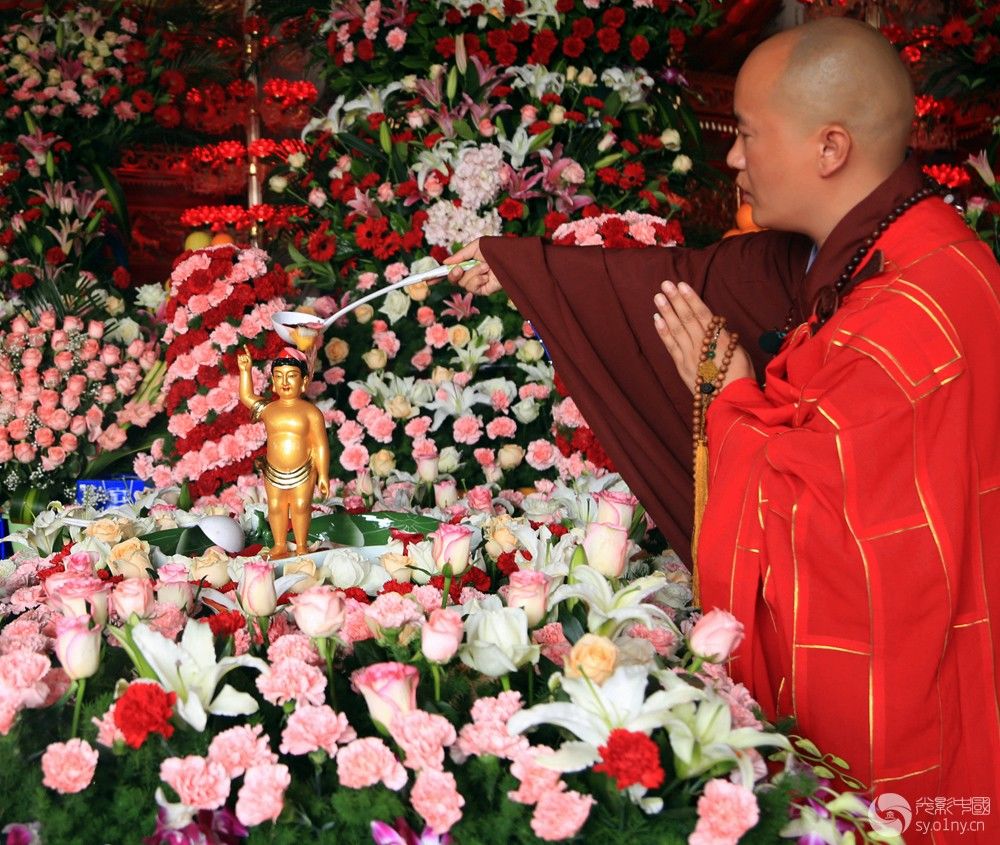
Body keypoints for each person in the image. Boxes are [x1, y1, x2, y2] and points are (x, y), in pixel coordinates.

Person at [446, 17, 1000, 840]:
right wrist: (521, 267)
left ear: (830, 148)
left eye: (746, 133)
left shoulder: (910, 309)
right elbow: (684, 279)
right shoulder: (887, 247)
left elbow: (827, 531)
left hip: (909, 718)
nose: (733, 157)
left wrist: (730, 397)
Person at [237, 345, 330, 559]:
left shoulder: (311, 412)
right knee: (276, 507)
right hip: (273, 470)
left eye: (291, 376)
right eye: (279, 376)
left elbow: (320, 445)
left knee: (300, 506)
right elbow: (246, 396)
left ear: (304, 381)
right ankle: (279, 544)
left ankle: (300, 546)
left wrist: (323, 474)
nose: (285, 382)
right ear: (273, 382)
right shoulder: (269, 409)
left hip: (304, 469)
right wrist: (245, 371)